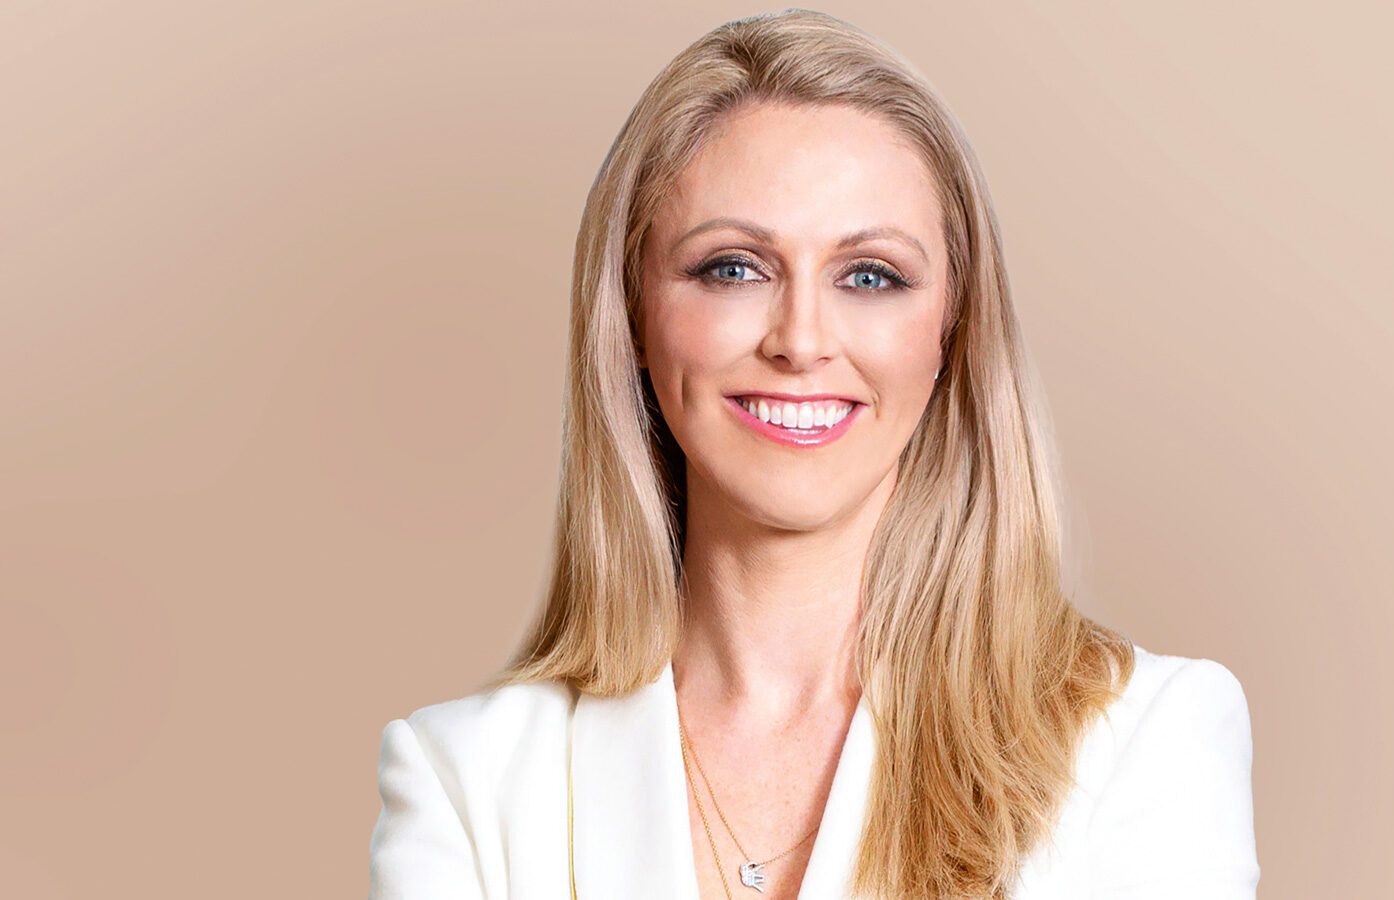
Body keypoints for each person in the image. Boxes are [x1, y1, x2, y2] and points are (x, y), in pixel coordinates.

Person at [367, 9, 1258, 899]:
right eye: (733, 267)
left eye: (870, 275)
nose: (800, 340)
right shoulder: (465, 780)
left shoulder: (1144, 740)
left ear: (952, 328)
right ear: (634, 314)